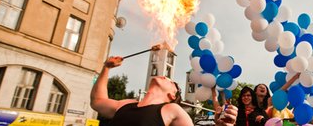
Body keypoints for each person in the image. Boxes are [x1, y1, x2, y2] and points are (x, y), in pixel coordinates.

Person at [90, 56, 238, 126]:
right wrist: (106, 68)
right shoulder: (127, 104)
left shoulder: (171, 109)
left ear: (172, 95)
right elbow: (97, 101)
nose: (166, 77)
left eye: (171, 82)